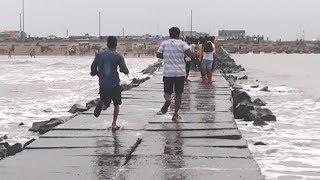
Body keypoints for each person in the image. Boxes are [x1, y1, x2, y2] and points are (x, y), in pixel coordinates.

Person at [90, 36, 129, 131]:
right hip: (114, 84)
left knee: (106, 104)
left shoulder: (100, 54)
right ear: (115, 45)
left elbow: (93, 67)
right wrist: (125, 72)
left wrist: (94, 73)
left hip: (103, 84)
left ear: (107, 44)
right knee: (116, 104)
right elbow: (124, 69)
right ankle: (114, 124)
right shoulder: (118, 56)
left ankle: (102, 104)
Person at [156, 27, 195, 121]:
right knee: (178, 94)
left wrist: (166, 56)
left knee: (167, 92)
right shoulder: (183, 44)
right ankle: (175, 114)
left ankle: (168, 101)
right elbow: (191, 56)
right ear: (179, 34)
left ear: (169, 34)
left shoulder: (164, 43)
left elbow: (158, 54)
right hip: (180, 73)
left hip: (168, 72)